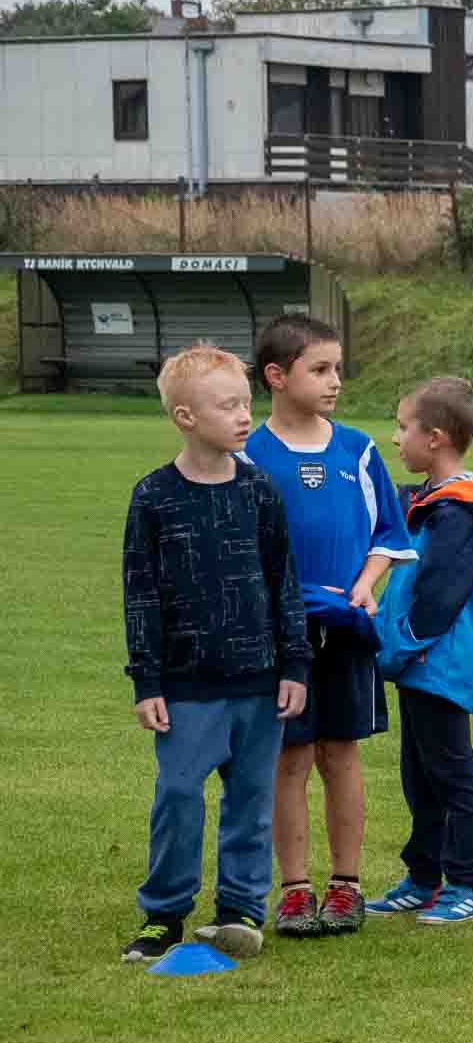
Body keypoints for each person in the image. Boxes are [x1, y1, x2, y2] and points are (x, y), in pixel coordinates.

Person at [121, 343, 309, 963]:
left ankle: (240, 910)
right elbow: (140, 595)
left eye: (246, 404)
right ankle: (164, 915)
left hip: (260, 682)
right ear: (185, 417)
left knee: (251, 801)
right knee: (178, 794)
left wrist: (295, 665)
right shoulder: (152, 496)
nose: (243, 416)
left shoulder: (260, 491)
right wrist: (147, 681)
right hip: (183, 684)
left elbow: (284, 582)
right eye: (227, 406)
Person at [243, 312, 411, 939]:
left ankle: (346, 886)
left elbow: (388, 537)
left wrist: (367, 586)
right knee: (290, 758)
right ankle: (294, 889)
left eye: (338, 367)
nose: (335, 380)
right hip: (278, 637)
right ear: (278, 377)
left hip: (345, 631)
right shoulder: (249, 455)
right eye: (320, 369)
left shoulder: (358, 449)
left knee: (341, 755)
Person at [365, 378, 473, 926]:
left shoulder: (461, 514)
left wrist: (393, 650)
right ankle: (423, 877)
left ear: (437, 437)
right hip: (418, 664)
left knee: (452, 777)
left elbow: (438, 600)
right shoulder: (428, 503)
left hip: (438, 664)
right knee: (418, 777)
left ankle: (466, 885)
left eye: (404, 427)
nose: (396, 438)